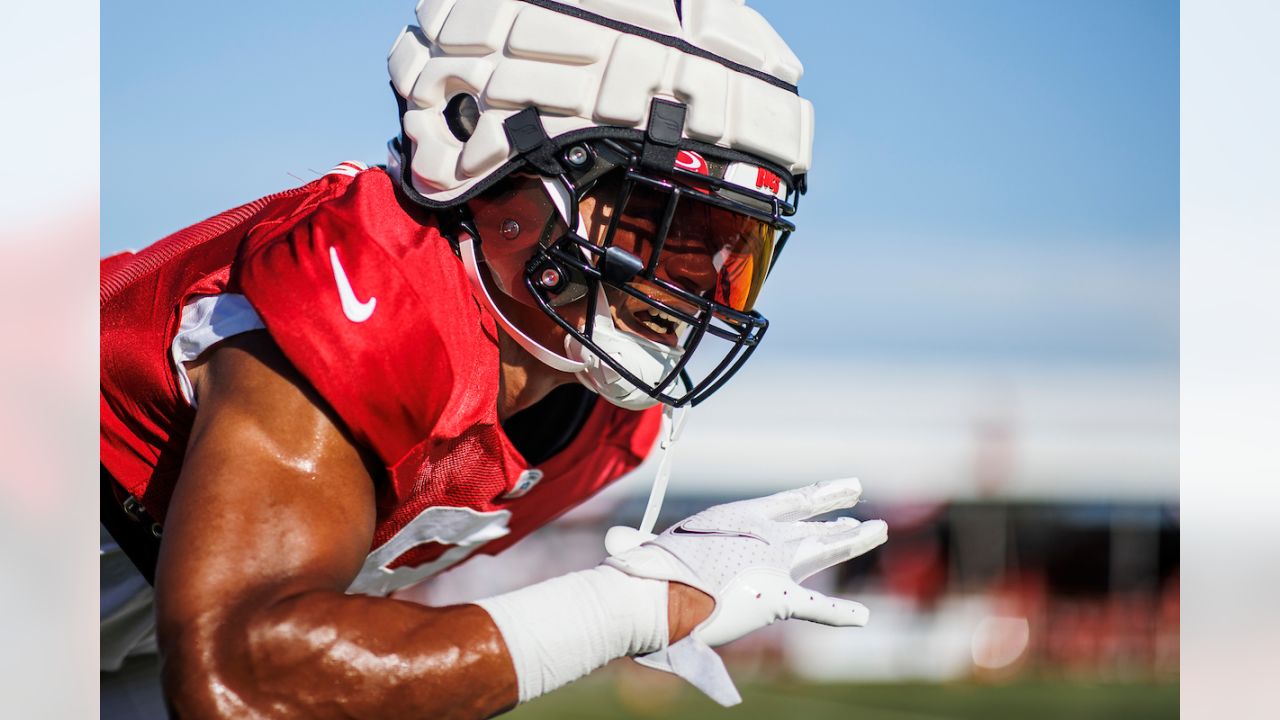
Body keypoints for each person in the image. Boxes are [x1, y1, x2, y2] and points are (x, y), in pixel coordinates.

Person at [99, 0, 889, 716]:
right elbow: (240, 675)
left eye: (724, 247)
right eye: (652, 219)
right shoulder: (377, 295)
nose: (689, 285)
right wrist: (642, 606)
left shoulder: (608, 426)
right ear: (489, 160)